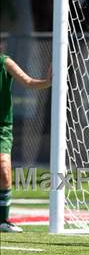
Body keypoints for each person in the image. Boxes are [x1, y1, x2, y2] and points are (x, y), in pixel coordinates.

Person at [0, 52, 52, 233]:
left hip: (2, 127)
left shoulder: (5, 62)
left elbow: (28, 82)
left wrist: (47, 82)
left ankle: (3, 220)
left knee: (4, 171)